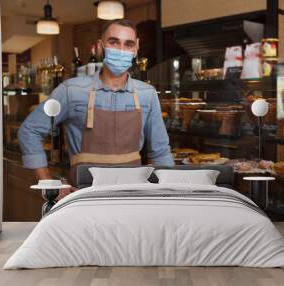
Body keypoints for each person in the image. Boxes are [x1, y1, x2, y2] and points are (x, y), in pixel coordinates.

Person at [18, 19, 174, 199]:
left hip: (133, 195)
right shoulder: (71, 91)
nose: (121, 50)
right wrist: (49, 184)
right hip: (82, 196)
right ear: (101, 46)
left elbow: (160, 152)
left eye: (128, 44)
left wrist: (167, 195)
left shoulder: (147, 94)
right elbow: (29, 131)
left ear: (136, 48)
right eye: (113, 42)